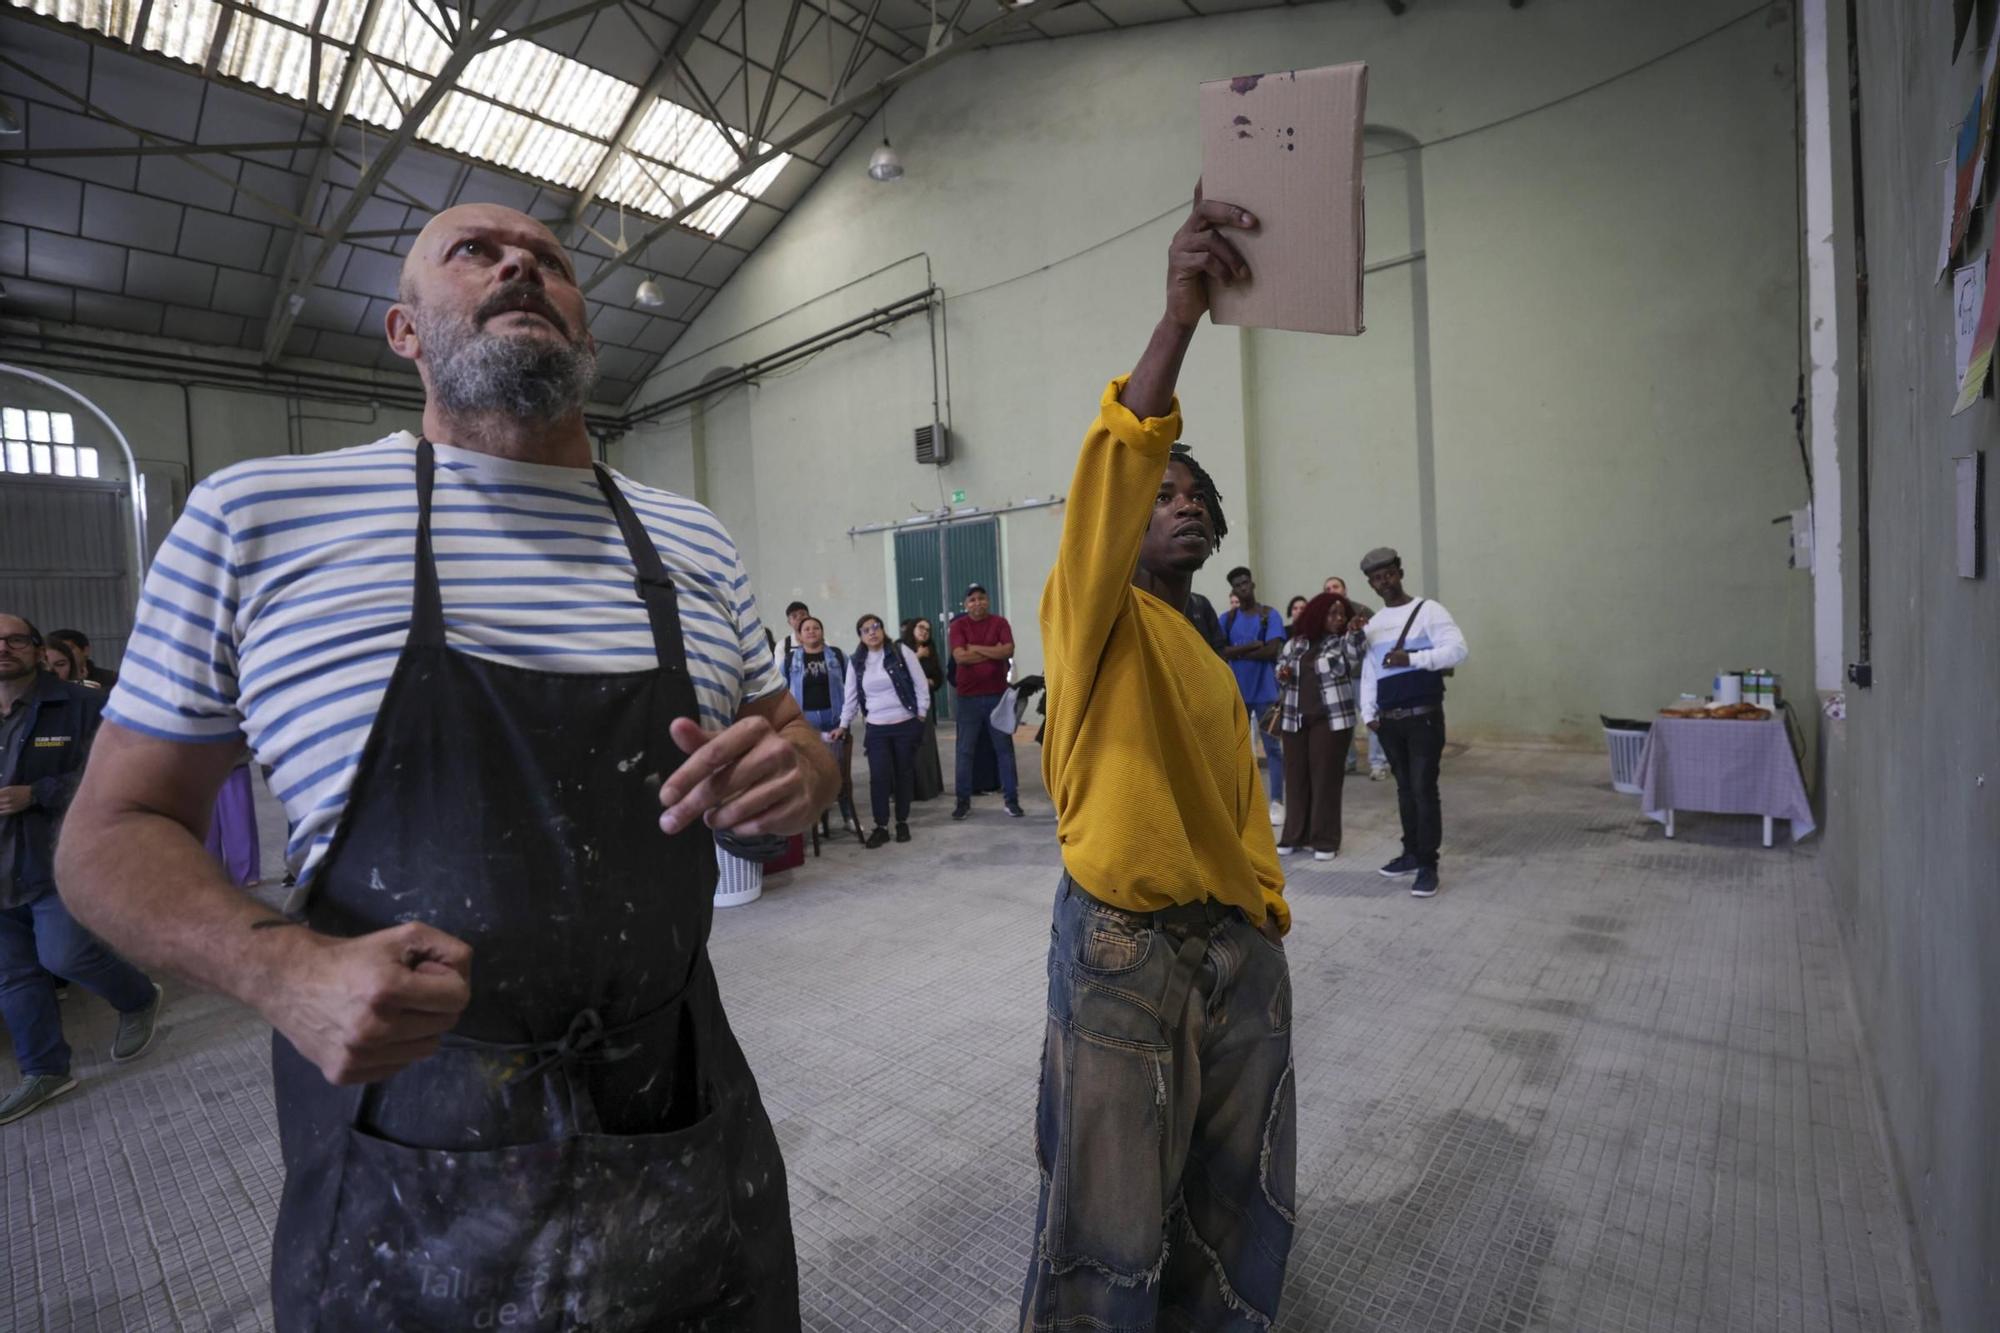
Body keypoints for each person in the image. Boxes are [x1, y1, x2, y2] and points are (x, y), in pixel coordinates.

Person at [57, 203, 836, 1330]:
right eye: (474, 251)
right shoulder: (257, 517)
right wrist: (282, 972)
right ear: (404, 330)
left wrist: (802, 773)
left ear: (586, 335)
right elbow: (108, 833)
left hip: (678, 1111)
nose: (521, 262)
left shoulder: (692, 539)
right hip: (410, 1159)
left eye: (551, 261)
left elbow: (793, 735)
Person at [1025, 185, 1294, 1329]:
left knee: (1232, 1190)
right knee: (1109, 1211)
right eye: (1162, 493)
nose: (1181, 506)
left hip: (1229, 940)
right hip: (1124, 948)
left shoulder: (1203, 647)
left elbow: (1237, 801)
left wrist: (1263, 907)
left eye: (1196, 499)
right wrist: (1177, 320)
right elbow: (1119, 459)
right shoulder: (1092, 618)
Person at [0, 613, 164, 1124]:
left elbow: (124, 773)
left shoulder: (83, 706)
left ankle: (138, 998)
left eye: (14, 640)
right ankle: (45, 1070)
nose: (3, 648)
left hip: (57, 861)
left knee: (65, 955)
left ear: (36, 647)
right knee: (13, 976)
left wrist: (38, 793)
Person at [1358, 546, 1469, 899]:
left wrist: (1414, 658)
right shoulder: (1374, 624)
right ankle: (1410, 853)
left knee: (1423, 789)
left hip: (1424, 718)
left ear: (1400, 573)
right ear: (1371, 584)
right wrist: (1368, 713)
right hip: (1389, 723)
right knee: (1405, 789)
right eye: (1377, 578)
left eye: (1389, 574)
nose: (1384, 582)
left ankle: (1427, 865)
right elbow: (1370, 671)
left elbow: (1458, 651)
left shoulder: (1428, 611)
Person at [1273, 593, 1367, 861]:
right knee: (1295, 779)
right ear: (1317, 615)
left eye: (1342, 615)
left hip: (1331, 720)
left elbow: (1355, 654)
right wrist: (1282, 673)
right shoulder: (1296, 643)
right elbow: (1280, 669)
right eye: (1332, 614)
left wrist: (1355, 631)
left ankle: (1325, 840)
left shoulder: (1342, 642)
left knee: (1325, 779)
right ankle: (1294, 835)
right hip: (1295, 719)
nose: (1339, 619)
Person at [840, 614, 930, 848]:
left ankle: (901, 822)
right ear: (860, 636)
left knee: (903, 774)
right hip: (876, 728)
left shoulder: (900, 652)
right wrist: (843, 724)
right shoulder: (856, 661)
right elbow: (850, 696)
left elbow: (920, 683)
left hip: (905, 723)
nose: (872, 632)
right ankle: (881, 826)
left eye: (875, 627)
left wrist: (921, 713)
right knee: (879, 777)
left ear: (882, 629)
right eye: (865, 630)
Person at [948, 584, 1023, 820]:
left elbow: (1008, 651)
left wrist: (976, 649)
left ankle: (1011, 801)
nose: (977, 603)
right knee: (965, 751)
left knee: (1004, 750)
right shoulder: (958, 626)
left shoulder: (1000, 623)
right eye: (972, 600)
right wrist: (993, 650)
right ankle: (962, 802)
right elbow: (960, 657)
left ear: (988, 600)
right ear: (965, 604)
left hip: (997, 697)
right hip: (967, 699)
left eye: (981, 598)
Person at [1221, 565, 1288, 824]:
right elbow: (1219, 651)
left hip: (1266, 692)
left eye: (1245, 582)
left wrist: (1237, 652)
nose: (1243, 588)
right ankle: (1240, 804)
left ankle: (1277, 801)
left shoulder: (1269, 615)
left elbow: (1272, 650)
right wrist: (1252, 646)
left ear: (1252, 584)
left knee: (1273, 748)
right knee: (1236, 748)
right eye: (1238, 585)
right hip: (1237, 692)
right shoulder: (1227, 619)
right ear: (1233, 591)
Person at [785, 616, 858, 830]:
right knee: (811, 773)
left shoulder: (837, 655)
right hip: (805, 725)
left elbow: (852, 686)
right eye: (806, 629)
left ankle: (848, 817)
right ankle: (815, 820)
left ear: (822, 631)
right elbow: (781, 690)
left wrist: (846, 719)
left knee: (840, 772)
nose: (811, 631)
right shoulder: (790, 660)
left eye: (816, 627)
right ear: (799, 636)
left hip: (835, 721)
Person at [1322, 577, 1384, 777]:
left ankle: (1377, 763)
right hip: (1337, 678)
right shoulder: (1323, 616)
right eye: (1327, 588)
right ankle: (1348, 761)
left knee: (1371, 717)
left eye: (1336, 586)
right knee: (1343, 722)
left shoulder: (1361, 611)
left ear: (1345, 589)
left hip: (1361, 675)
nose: (1332, 590)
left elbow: (1376, 640)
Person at [900, 617, 947, 801]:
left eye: (928, 630)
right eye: (921, 627)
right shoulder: (899, 648)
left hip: (924, 705)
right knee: (905, 747)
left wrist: (930, 682)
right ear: (912, 628)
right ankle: (905, 789)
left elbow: (938, 677)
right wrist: (917, 657)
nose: (924, 632)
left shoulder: (930, 650)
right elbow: (898, 673)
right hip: (903, 706)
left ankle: (926, 789)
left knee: (924, 747)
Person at [49, 629, 117, 689]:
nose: (61, 654)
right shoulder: (47, 680)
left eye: (67, 649)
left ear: (85, 650)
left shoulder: (111, 679)